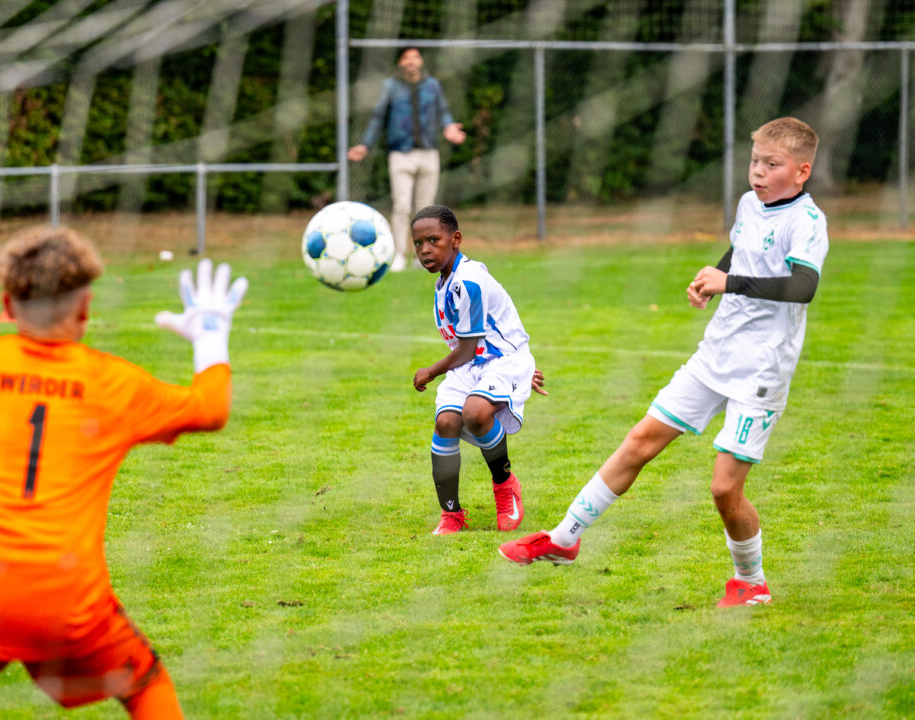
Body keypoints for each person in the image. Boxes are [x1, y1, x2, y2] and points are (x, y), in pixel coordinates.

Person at [0, 226, 248, 718]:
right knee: (147, 689)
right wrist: (209, 338)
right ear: (86, 308)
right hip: (71, 605)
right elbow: (210, 409)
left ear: (7, 306)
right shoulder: (113, 384)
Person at [499, 117, 828, 608]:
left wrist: (729, 283)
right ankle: (564, 539)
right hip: (713, 355)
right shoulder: (749, 204)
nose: (758, 172)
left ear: (801, 172)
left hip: (761, 371)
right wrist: (714, 273)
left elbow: (804, 287)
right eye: (755, 161)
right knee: (639, 441)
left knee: (723, 489)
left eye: (771, 164)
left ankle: (752, 584)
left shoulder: (807, 222)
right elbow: (740, 249)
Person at [412, 204, 543, 535]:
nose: (425, 249)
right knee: (446, 422)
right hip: (473, 364)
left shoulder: (468, 281)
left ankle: (505, 485)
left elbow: (469, 347)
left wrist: (431, 370)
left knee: (475, 412)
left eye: (433, 240)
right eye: (418, 243)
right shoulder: (445, 281)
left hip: (502, 361)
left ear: (455, 239)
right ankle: (452, 514)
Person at [349, 47, 467, 273]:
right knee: (401, 206)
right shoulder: (391, 87)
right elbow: (378, 117)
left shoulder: (432, 85)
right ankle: (398, 255)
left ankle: (423, 258)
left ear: (421, 61)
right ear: (401, 63)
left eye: (415, 57)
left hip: (429, 153)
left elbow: (443, 112)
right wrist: (365, 145)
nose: (411, 62)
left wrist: (449, 127)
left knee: (426, 210)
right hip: (400, 154)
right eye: (406, 58)